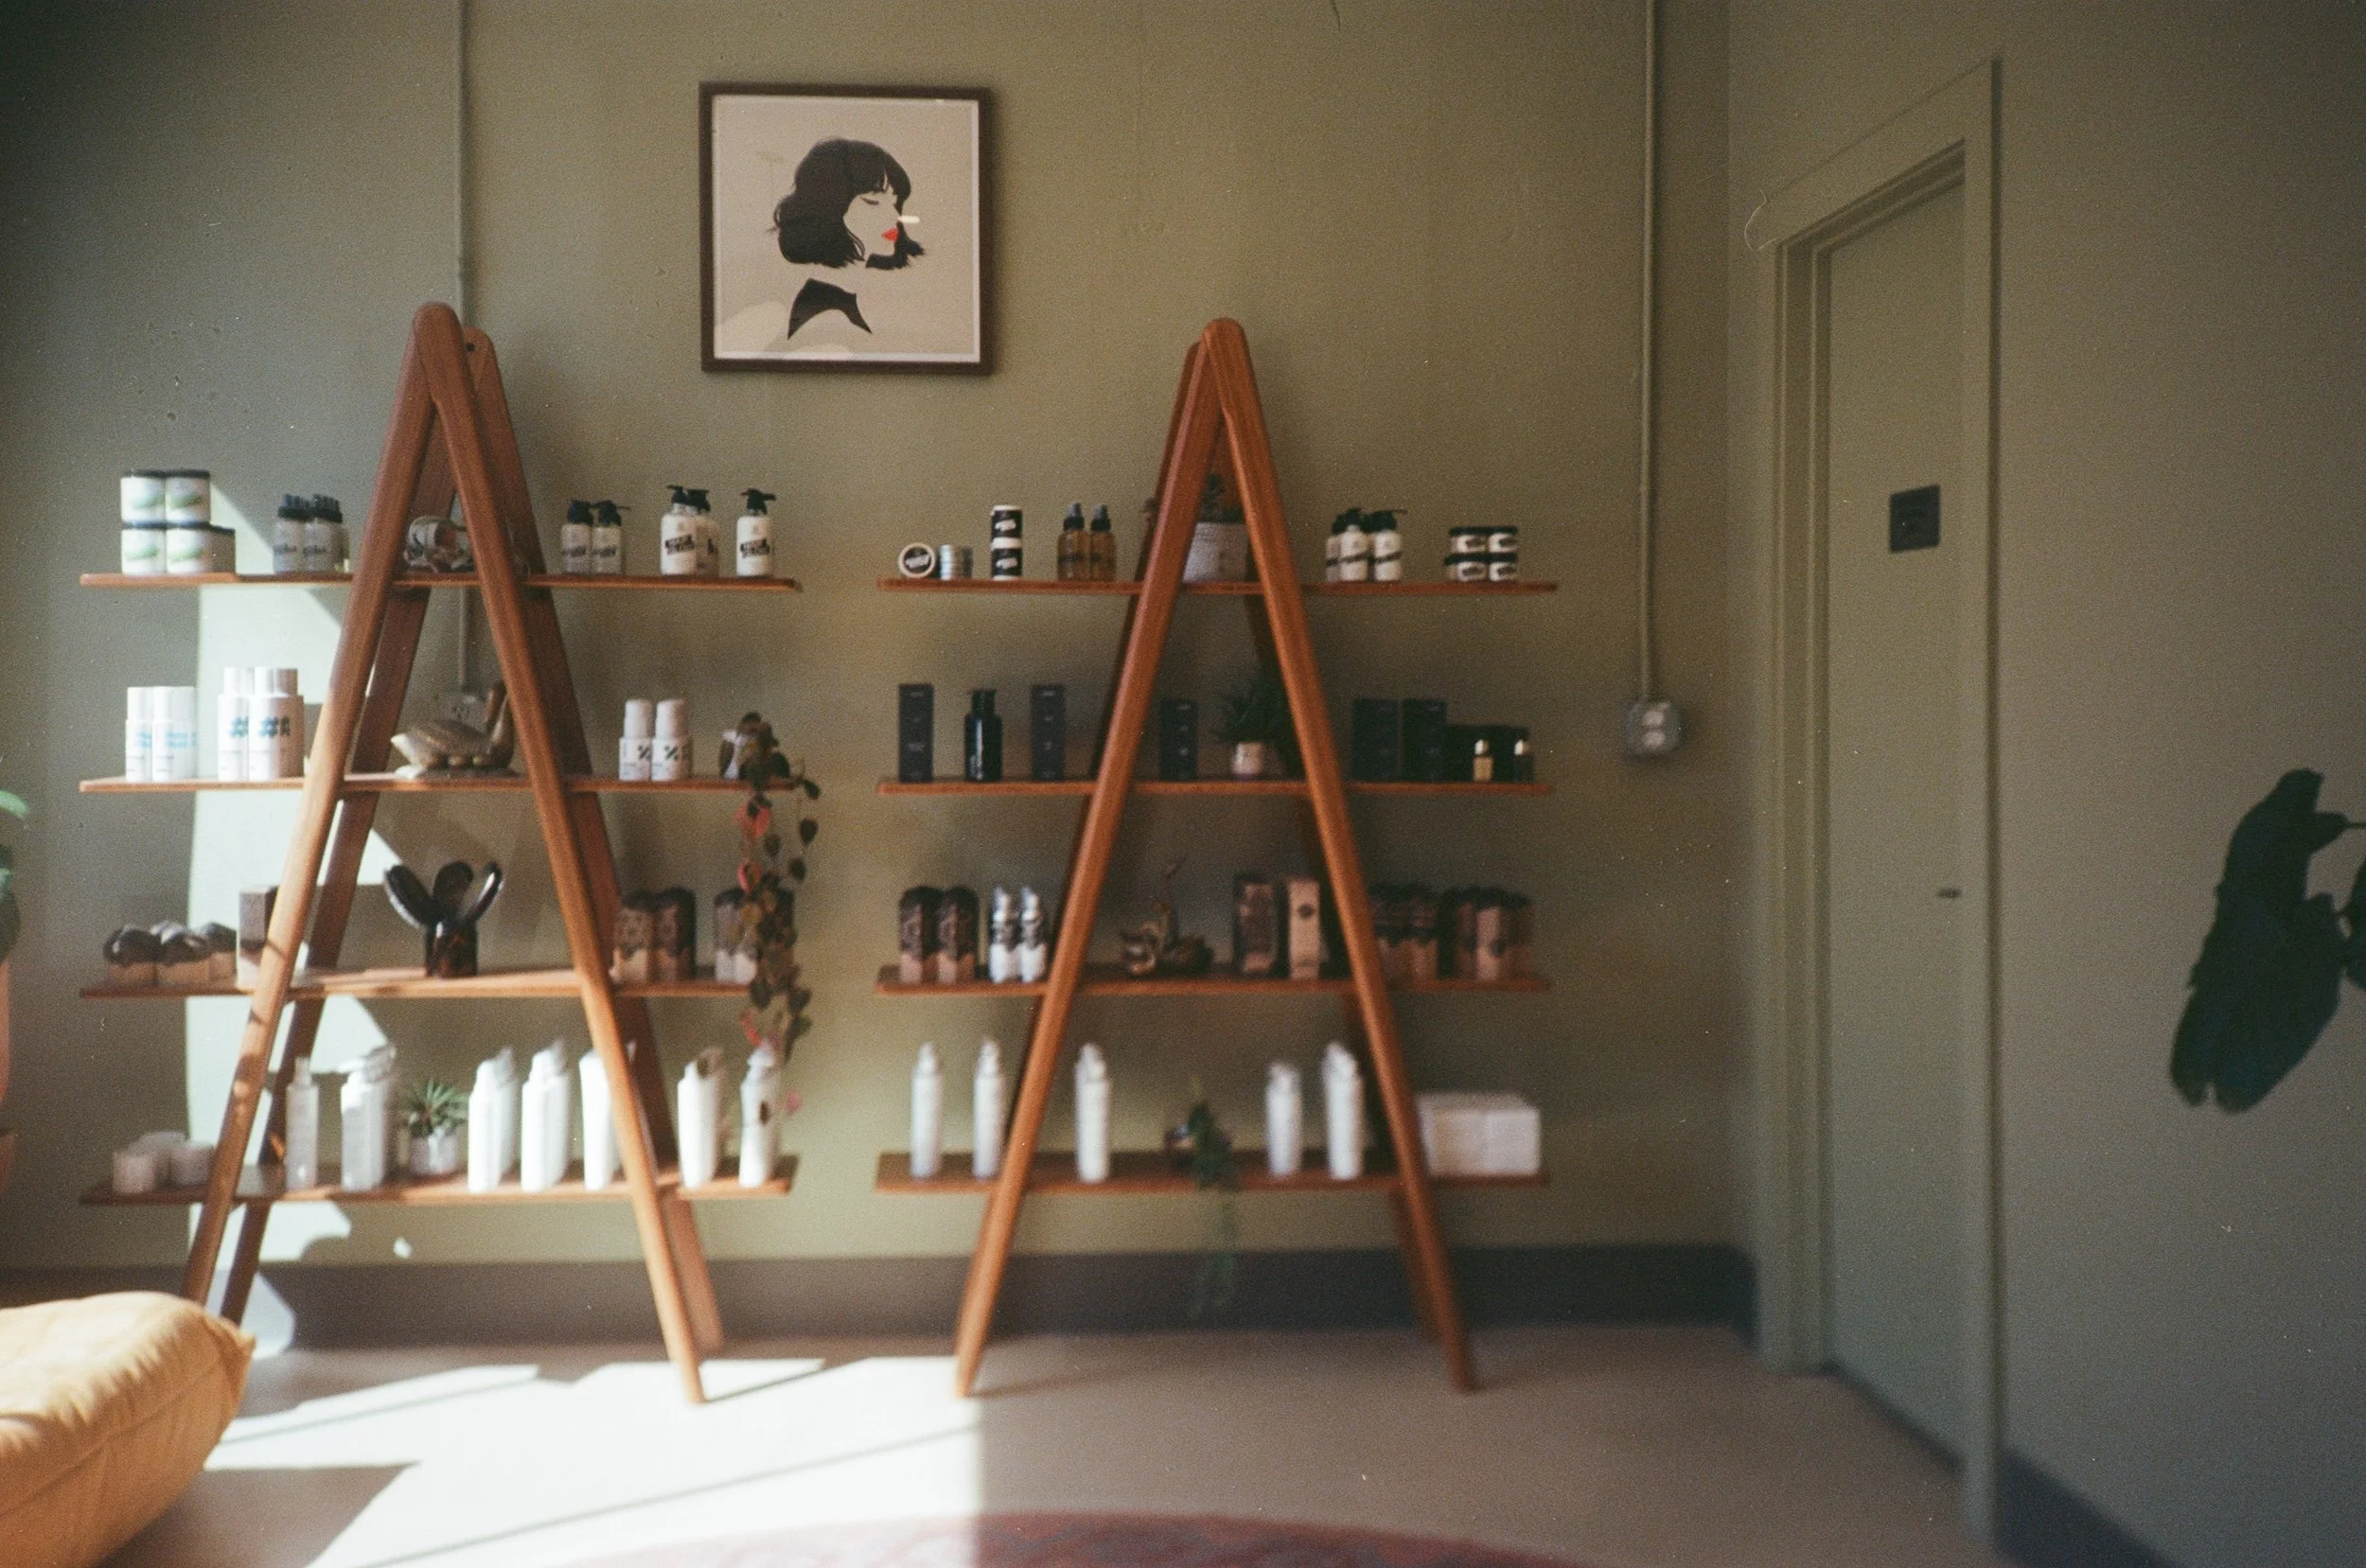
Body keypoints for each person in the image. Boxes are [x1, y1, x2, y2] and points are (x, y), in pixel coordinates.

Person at [717, 138, 924, 352]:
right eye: (873, 202)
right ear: (829, 207)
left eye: (895, 202)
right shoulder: (827, 313)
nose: (894, 216)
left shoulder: (848, 300)